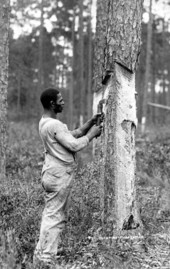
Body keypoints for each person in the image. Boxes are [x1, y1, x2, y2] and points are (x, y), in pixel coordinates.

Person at [33, 88, 103, 268]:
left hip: (51, 173)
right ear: (51, 103)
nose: (63, 102)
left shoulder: (45, 122)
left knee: (52, 214)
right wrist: (91, 135)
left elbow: (70, 135)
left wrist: (89, 124)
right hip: (58, 176)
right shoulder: (54, 125)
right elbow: (73, 144)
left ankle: (41, 255)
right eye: (60, 100)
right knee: (55, 217)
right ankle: (46, 260)